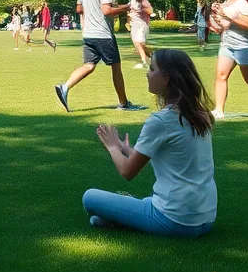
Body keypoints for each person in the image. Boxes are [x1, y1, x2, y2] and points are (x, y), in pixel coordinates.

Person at [83, 49, 215, 238]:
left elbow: (127, 171)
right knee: (107, 215)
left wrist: (112, 147)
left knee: (90, 197)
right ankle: (121, 216)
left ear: (166, 78)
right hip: (205, 219)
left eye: (152, 69)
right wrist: (126, 149)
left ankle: (123, 216)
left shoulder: (161, 120)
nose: (148, 74)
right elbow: (173, 161)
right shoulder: (200, 114)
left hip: (174, 220)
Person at [55, 0, 142, 112]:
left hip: (88, 33)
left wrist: (95, 9)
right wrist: (126, 8)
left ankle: (64, 87)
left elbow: (79, 9)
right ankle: (123, 104)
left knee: (89, 66)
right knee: (116, 68)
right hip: (103, 34)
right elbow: (106, 10)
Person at [128, 0, 153, 69]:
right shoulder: (132, 0)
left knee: (139, 43)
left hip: (142, 25)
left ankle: (144, 61)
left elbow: (150, 10)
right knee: (138, 45)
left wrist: (144, 10)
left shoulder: (144, 1)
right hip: (134, 25)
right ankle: (153, 57)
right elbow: (128, 8)